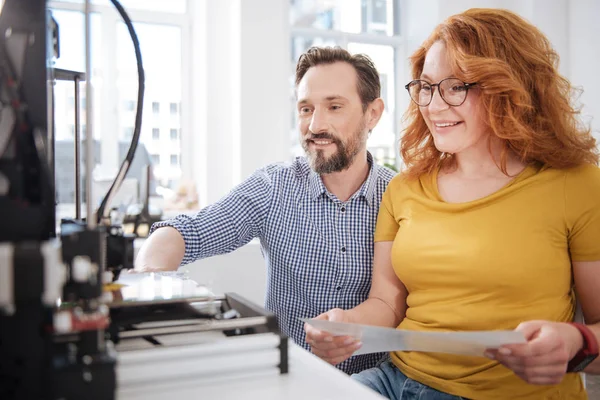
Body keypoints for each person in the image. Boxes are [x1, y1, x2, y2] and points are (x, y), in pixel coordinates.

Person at [305, 8, 600, 399]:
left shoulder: (576, 184)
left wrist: (575, 343)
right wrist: (347, 325)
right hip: (396, 380)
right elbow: (386, 304)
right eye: (426, 86)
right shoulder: (405, 188)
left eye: (457, 86)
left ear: (510, 88)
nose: (434, 105)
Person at [134, 46, 396, 375]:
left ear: (372, 113)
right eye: (305, 109)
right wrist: (148, 278)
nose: (315, 125)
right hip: (288, 379)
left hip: (376, 386)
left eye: (334, 107)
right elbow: (190, 232)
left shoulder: (401, 197)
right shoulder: (274, 187)